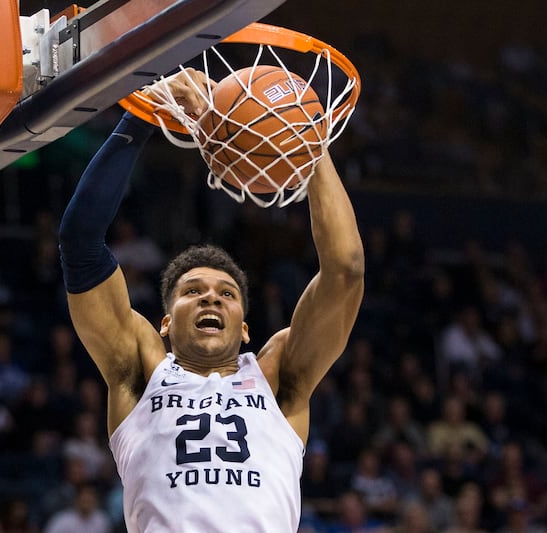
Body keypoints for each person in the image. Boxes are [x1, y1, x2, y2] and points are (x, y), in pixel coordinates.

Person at [57, 69, 365, 532]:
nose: (211, 300)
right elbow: (80, 242)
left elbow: (345, 270)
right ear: (163, 324)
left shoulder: (279, 376)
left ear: (245, 328)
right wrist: (143, 115)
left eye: (226, 294)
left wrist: (309, 137)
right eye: (193, 291)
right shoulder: (140, 370)